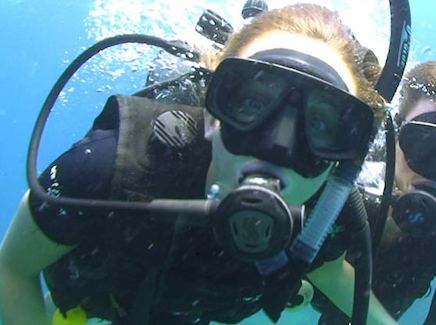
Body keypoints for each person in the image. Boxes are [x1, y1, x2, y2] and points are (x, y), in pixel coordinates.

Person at [0, 4, 388, 325]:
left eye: (320, 124)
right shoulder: (107, 166)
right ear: (211, 109)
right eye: (252, 103)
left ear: (350, 151)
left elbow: (333, 273)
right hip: (103, 297)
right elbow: (11, 269)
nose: (278, 147)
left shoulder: (326, 217)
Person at [309, 60, 436, 324]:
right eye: (422, 143)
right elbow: (325, 272)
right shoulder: (345, 189)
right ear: (394, 135)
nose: (435, 170)